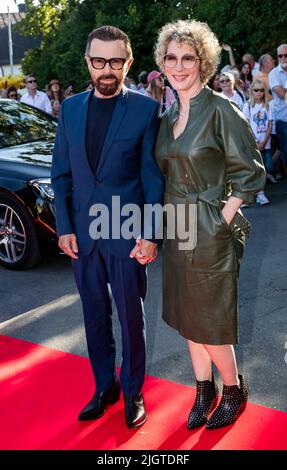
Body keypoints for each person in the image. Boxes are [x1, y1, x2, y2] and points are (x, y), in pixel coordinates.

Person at [154, 19, 265, 430]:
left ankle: (233, 389)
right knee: (188, 314)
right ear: (162, 63)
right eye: (171, 57)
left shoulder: (221, 109)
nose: (179, 66)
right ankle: (205, 388)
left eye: (188, 57)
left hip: (210, 224)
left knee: (212, 318)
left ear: (204, 62)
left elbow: (251, 173)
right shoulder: (167, 116)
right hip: (176, 223)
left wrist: (221, 218)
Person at [51, 25, 164, 429]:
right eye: (99, 61)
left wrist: (151, 234)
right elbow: (60, 174)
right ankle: (104, 387)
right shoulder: (71, 108)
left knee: (131, 317)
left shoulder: (146, 110)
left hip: (128, 232)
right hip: (81, 234)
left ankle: (133, 391)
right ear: (88, 61)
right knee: (94, 313)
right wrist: (63, 226)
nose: (107, 69)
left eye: (116, 61)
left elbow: (153, 180)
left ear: (128, 62)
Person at [243, 79, 276, 205]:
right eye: (256, 90)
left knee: (266, 168)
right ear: (252, 91)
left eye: (262, 90)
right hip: (252, 144)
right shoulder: (248, 106)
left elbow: (270, 124)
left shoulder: (268, 105)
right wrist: (256, 141)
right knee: (255, 169)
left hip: (265, 144)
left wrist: (264, 141)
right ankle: (259, 194)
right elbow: (246, 125)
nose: (259, 93)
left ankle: (259, 192)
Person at [269, 44, 287, 175]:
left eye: (286, 55)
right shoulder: (273, 74)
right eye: (280, 55)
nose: (283, 58)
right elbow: (282, 94)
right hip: (283, 119)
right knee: (286, 151)